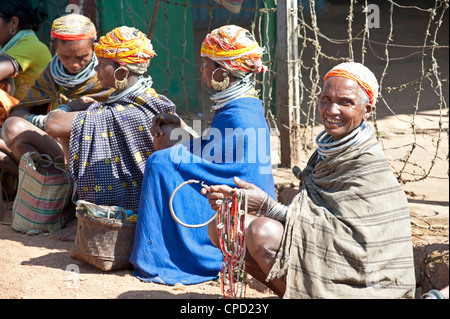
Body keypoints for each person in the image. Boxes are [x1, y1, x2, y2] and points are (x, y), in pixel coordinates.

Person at [202, 62, 416, 299]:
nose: (331, 110)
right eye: (326, 100)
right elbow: (315, 212)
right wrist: (239, 200)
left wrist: (267, 207)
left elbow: (349, 240)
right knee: (224, 225)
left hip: (365, 276)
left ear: (368, 110)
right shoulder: (329, 150)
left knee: (262, 232)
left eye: (345, 102)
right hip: (326, 250)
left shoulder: (367, 164)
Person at [129, 25, 276, 285]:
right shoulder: (242, 104)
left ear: (221, 72)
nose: (201, 70)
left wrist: (171, 155)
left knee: (160, 163)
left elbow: (236, 172)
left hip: (239, 196)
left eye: (206, 64)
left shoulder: (241, 115)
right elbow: (214, 148)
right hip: (228, 176)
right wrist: (181, 127)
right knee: (171, 139)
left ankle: (170, 258)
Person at [4, 26, 176, 212]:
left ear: (122, 73)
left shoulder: (125, 110)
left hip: (131, 203)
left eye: (102, 64)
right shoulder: (148, 101)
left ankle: (69, 209)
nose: (96, 68)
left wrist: (69, 107)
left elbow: (54, 124)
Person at [1, 14, 112, 177]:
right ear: (53, 48)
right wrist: (44, 121)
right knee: (11, 127)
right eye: (65, 57)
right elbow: (19, 111)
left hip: (91, 151)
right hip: (53, 144)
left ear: (94, 47)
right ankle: (43, 182)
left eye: (82, 57)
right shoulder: (51, 73)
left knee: (12, 129)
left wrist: (63, 117)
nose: (73, 64)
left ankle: (52, 183)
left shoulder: (105, 74)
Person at [0, 0, 51, 179]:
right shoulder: (10, 46)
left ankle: (40, 182)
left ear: (13, 23)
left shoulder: (30, 46)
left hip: (34, 128)